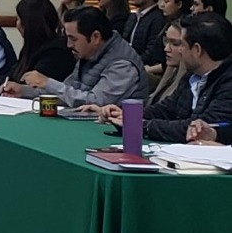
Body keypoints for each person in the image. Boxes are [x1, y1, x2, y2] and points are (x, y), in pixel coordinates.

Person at [90, 14, 232, 143]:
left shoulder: (228, 82)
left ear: (197, 50)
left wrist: (143, 126)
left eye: (181, 44)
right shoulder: (192, 76)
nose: (179, 50)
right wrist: (127, 114)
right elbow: (166, 109)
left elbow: (198, 128)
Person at [1, 6, 147, 108]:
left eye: (73, 39)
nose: (69, 45)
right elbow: (69, 93)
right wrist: (24, 91)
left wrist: (47, 82)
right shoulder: (89, 54)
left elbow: (96, 102)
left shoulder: (123, 64)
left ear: (95, 37)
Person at [0, 0, 74, 95]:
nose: (17, 25)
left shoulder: (56, 51)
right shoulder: (31, 47)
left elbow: (29, 86)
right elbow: (12, 76)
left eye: (19, 19)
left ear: (28, 24)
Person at [145, 0, 190, 77]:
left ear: (179, 4)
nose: (162, 5)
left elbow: (170, 63)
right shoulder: (166, 22)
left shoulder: (183, 27)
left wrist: (149, 69)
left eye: (166, 1)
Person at [122, 0, 166, 67]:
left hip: (142, 67)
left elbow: (151, 52)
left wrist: (130, 64)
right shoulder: (132, 17)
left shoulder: (158, 19)